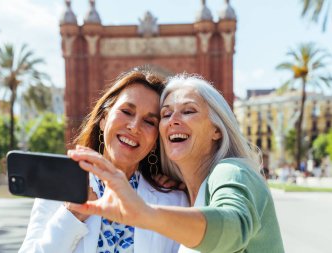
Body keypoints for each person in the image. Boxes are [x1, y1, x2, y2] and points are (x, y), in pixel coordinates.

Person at [68, 73, 285, 253]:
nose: (173, 120)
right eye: (166, 114)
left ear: (217, 130)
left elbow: (235, 226)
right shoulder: (183, 197)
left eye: (188, 111)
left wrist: (145, 214)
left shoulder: (233, 171)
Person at [19, 70, 188, 253]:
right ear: (103, 119)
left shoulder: (173, 202)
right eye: (126, 111)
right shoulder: (58, 185)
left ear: (156, 140)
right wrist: (71, 215)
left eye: (149, 122)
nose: (134, 127)